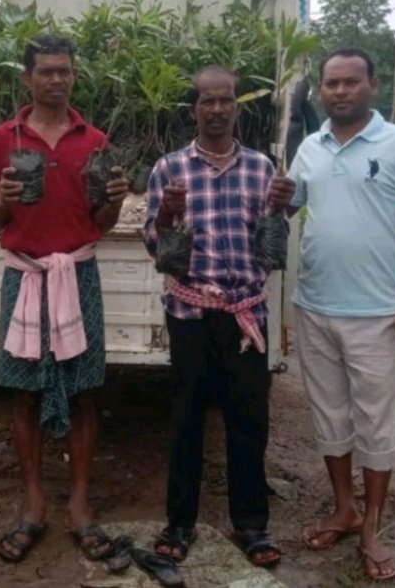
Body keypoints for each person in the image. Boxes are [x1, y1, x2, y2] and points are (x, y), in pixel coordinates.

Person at [287, 48, 395, 582]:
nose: (341, 91)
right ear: (322, 90)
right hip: (314, 305)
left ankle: (372, 524)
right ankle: (344, 508)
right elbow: (286, 205)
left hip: (376, 311)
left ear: (372, 85)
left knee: (376, 419)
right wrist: (278, 196)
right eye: (331, 83)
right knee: (330, 415)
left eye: (352, 82)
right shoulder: (309, 147)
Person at [0, 34, 130, 563]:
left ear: (73, 75)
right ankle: (34, 505)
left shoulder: (95, 140)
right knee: (22, 391)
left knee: (85, 389)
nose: (56, 79)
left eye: (64, 70)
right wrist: (2, 199)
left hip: (78, 275)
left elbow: (103, 224)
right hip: (24, 278)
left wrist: (114, 201)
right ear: (27, 77)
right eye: (45, 71)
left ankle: (81, 506)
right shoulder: (2, 139)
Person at [143, 66, 294, 569]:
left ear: (236, 107)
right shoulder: (169, 169)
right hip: (189, 312)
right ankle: (179, 523)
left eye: (225, 100)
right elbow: (156, 247)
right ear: (194, 110)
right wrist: (166, 214)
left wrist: (283, 209)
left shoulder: (262, 169)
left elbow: (272, 245)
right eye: (207, 101)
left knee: (248, 421)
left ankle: (251, 524)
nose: (216, 109)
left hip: (246, 314)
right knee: (186, 420)